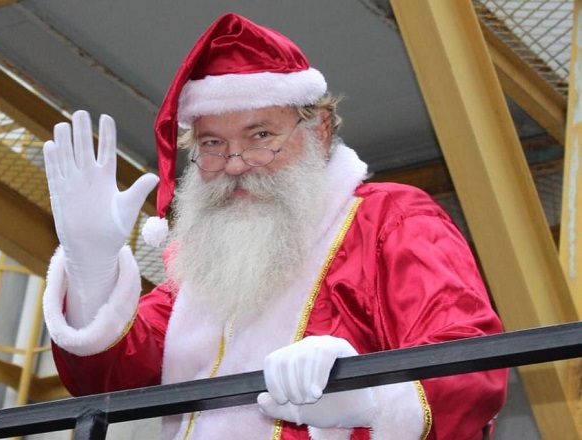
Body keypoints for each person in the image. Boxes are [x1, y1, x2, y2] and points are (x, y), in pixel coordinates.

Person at [42, 12, 508, 440]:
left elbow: (471, 361)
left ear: (319, 129)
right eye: (212, 144)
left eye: (261, 136)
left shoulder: (389, 220)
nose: (235, 164)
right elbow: (111, 379)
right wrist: (91, 271)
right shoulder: (204, 268)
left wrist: (367, 397)